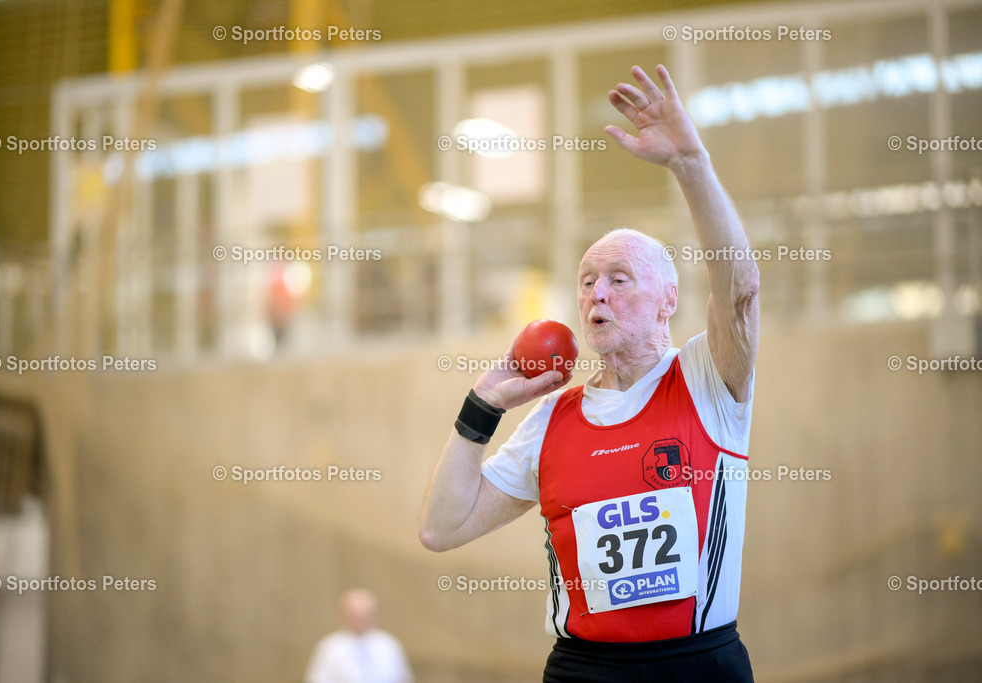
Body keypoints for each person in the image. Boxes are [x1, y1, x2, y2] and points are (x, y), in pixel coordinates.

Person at [419, 64, 759, 682]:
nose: (596, 293)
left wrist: (691, 165)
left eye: (619, 279)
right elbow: (441, 529)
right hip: (584, 670)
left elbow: (738, 292)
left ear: (667, 300)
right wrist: (482, 406)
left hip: (696, 666)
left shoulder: (708, 380)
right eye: (586, 281)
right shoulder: (552, 419)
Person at [305, 589, 413, 683]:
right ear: (343, 616)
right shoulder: (330, 647)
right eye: (355, 615)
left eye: (365, 615)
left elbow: (403, 678)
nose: (360, 620)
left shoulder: (388, 644)